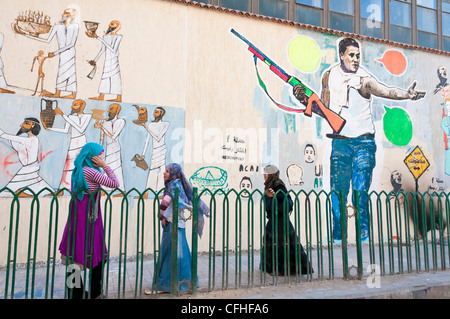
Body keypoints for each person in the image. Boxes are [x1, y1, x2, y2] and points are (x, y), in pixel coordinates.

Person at [294, 37, 425, 244]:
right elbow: (324, 110)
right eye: (352, 55)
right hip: (340, 143)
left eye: (358, 55)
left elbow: (386, 90)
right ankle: (338, 240)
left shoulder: (364, 79)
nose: (356, 59)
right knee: (338, 194)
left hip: (364, 144)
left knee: (360, 192)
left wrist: (405, 95)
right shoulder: (329, 77)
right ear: (341, 56)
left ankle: (364, 239)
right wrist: (304, 99)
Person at [58, 142, 120, 299]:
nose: (101, 157)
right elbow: (114, 183)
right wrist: (105, 165)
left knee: (74, 255)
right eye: (99, 154)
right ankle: (95, 293)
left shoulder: (78, 170)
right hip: (90, 219)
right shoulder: (90, 171)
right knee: (97, 256)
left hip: (78, 217)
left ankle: (75, 293)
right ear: (91, 156)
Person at [145, 163, 209, 294]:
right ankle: (187, 282)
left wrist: (161, 215)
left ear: (173, 173)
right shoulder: (177, 184)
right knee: (182, 254)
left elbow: (165, 202)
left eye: (167, 171)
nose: (164, 173)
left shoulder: (173, 185)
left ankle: (166, 285)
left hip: (172, 225)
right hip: (179, 225)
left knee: (170, 255)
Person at [261, 165, 312, 276]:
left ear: (271, 174)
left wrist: (273, 196)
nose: (264, 175)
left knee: (281, 245)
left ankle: (280, 270)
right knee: (273, 243)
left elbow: (283, 198)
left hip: (280, 221)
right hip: (274, 220)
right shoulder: (271, 184)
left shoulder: (278, 185)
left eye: (266, 172)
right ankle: (272, 268)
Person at [88, 20, 123, 102]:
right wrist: (95, 60)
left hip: (114, 59)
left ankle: (118, 97)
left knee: (115, 77)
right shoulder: (106, 37)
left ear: (117, 26)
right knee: (105, 76)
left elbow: (113, 50)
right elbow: (102, 50)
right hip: (107, 59)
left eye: (112, 24)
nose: (109, 25)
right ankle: (101, 95)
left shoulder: (119, 37)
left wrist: (99, 38)